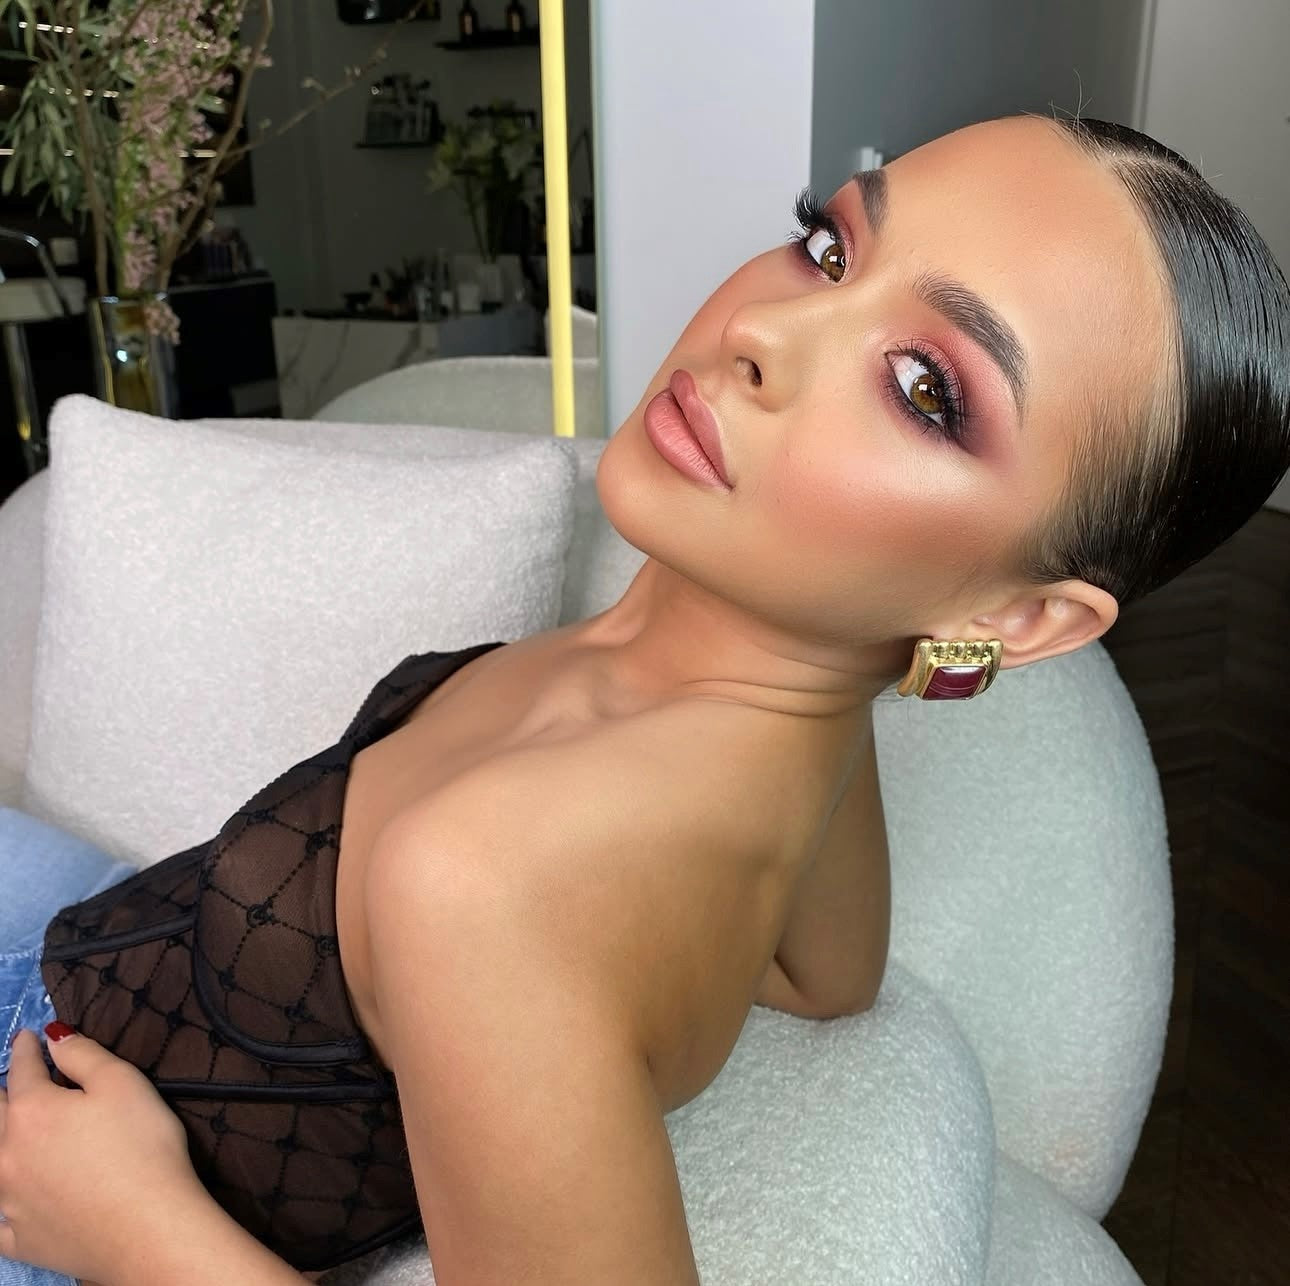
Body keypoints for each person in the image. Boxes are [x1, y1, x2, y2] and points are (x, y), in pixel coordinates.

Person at [2, 109, 1289, 1286]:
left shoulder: (499, 881)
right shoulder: (776, 730)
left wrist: (127, 1222)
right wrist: (869, 654)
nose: (760, 334)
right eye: (829, 248)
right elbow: (831, 973)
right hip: (84, 925)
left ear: (1024, 618)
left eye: (926, 390)